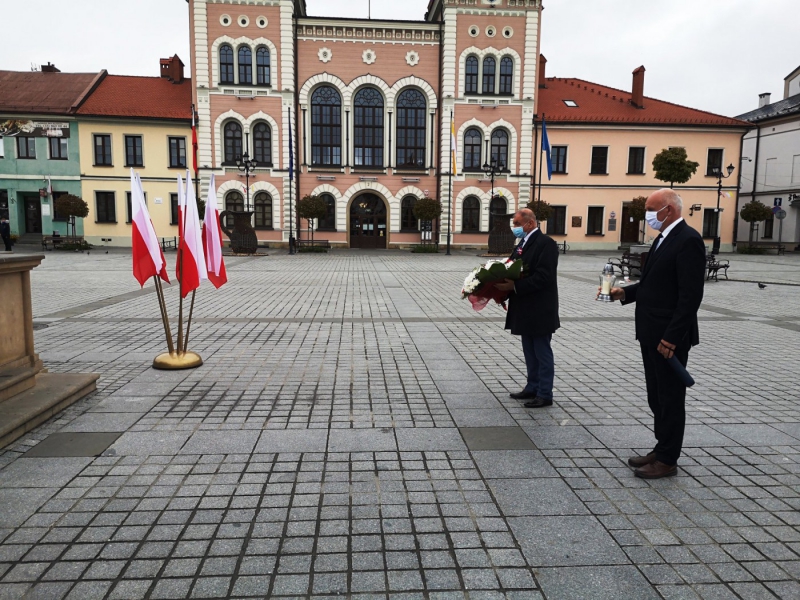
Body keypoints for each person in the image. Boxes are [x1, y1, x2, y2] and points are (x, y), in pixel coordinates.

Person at [606, 188, 705, 479]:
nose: (647, 215)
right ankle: (662, 448)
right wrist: (624, 292)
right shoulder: (663, 239)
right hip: (650, 333)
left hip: (668, 338)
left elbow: (690, 296)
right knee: (656, 397)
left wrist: (672, 337)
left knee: (671, 399)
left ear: (669, 210)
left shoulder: (688, 241)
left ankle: (667, 460)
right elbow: (653, 284)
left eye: (651, 209)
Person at [496, 208, 560, 408]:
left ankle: (545, 393)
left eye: (516, 224)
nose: (515, 228)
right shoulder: (522, 243)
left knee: (541, 352)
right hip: (525, 307)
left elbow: (544, 277)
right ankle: (532, 387)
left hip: (540, 308)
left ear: (530, 223)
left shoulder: (546, 244)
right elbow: (513, 269)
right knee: (529, 352)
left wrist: (514, 286)